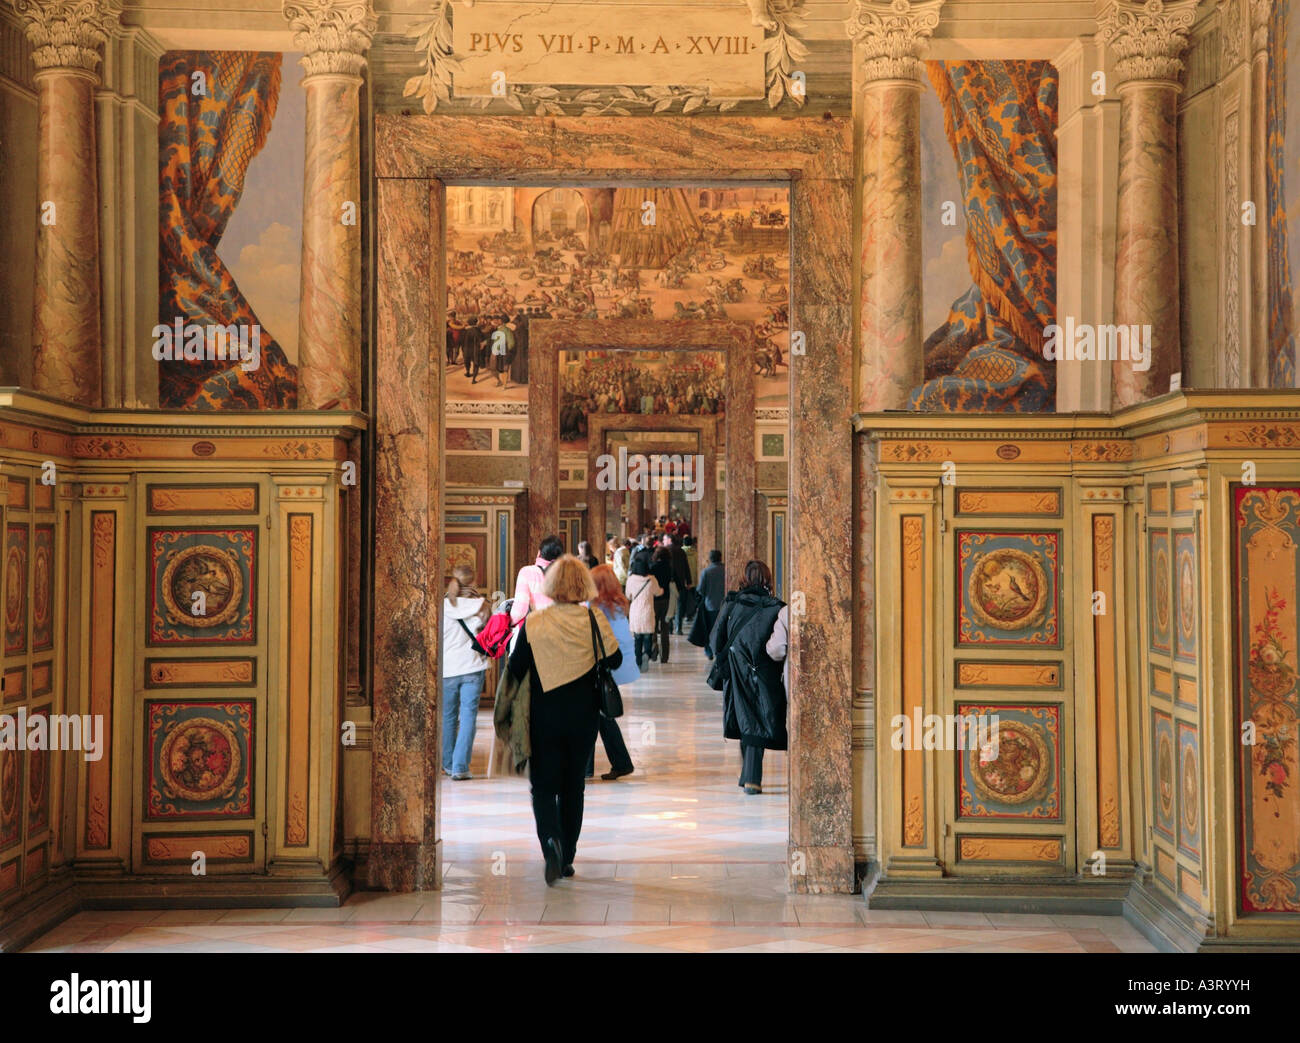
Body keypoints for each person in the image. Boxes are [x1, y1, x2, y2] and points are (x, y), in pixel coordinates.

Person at [508, 555, 623, 883]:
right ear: (583, 585)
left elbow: (516, 669)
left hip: (543, 715)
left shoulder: (535, 622)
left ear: (551, 585)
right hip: (583, 715)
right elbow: (615, 659)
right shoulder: (592, 619)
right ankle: (568, 855)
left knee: (542, 787)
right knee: (574, 787)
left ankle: (551, 844)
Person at [707, 559, 786, 795]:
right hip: (764, 671)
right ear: (768, 580)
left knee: (746, 718)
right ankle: (749, 775)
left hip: (735, 668)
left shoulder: (732, 603)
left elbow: (715, 640)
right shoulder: (776, 607)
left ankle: (751, 776)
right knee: (757, 718)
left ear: (744, 578)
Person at [585, 564, 637, 781]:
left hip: (595, 665)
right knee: (601, 716)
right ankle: (621, 762)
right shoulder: (619, 605)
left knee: (590, 716)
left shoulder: (595, 608)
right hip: (613, 665)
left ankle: (588, 768)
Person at [441, 565, 490, 780]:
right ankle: (461, 767)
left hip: (448, 669)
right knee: (469, 716)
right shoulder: (482, 605)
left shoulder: (441, 606)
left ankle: (448, 763)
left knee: (448, 717)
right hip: (473, 666)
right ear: (474, 582)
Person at [510, 534, 563, 624]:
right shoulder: (567, 573)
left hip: (539, 630)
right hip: (564, 630)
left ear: (539, 553)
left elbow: (520, 611)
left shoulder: (527, 572)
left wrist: (509, 623)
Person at [624, 555, 662, 669]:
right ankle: (647, 654)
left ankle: (638, 661)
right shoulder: (652, 579)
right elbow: (657, 592)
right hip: (648, 611)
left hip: (635, 612)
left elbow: (628, 595)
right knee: (648, 637)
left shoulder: (630, 579)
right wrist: (663, 590)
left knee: (637, 638)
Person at [688, 548, 725, 659]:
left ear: (710, 559)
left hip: (710, 605)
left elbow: (701, 590)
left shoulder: (706, 572)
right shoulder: (726, 570)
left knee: (709, 629)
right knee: (721, 629)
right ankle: (720, 649)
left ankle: (709, 651)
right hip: (724, 605)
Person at [650, 543, 675, 663]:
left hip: (654, 600)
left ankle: (654, 649)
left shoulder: (653, 568)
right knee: (665, 629)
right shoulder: (670, 568)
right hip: (667, 601)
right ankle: (665, 656)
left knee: (653, 627)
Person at [669, 534, 694, 635]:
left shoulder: (667, 551)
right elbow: (686, 567)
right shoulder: (681, 552)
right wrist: (689, 581)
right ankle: (678, 627)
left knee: (670, 605)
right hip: (680, 581)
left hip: (669, 581)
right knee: (679, 605)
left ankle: (670, 627)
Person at [461, 315, 484, 383]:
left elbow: (461, 340)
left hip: (467, 349)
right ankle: (473, 379)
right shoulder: (478, 330)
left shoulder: (465, 330)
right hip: (475, 349)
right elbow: (481, 339)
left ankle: (468, 372)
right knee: (476, 363)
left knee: (467, 361)